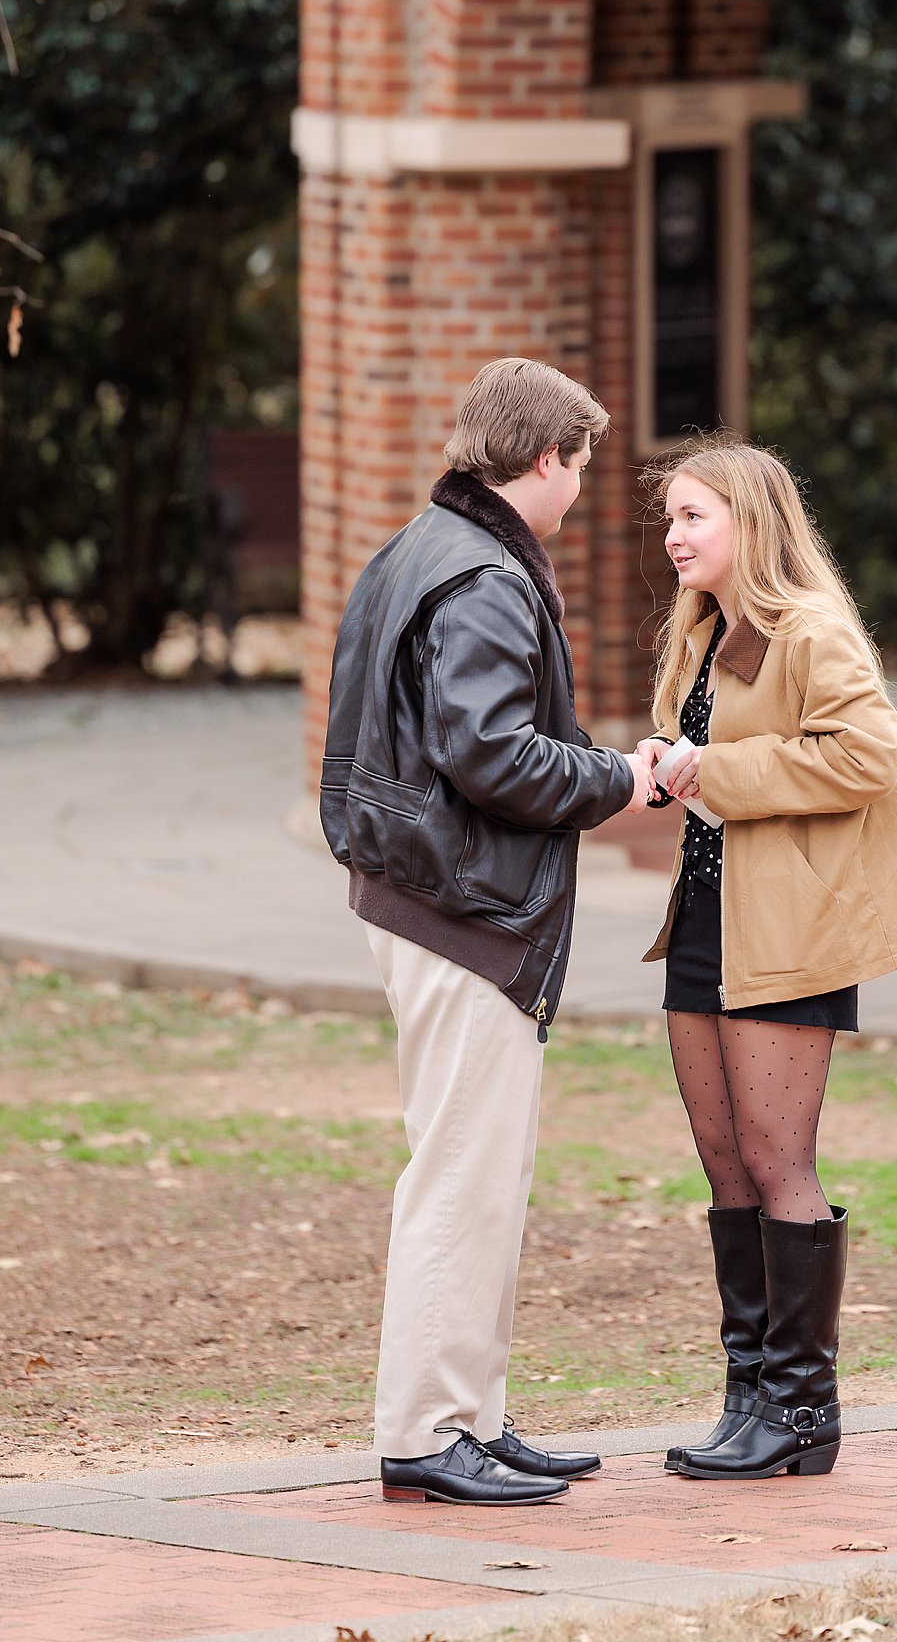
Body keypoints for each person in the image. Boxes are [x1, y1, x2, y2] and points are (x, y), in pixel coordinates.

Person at [320, 358, 653, 1507]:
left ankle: (472, 1416)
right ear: (547, 458)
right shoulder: (487, 578)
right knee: (464, 1174)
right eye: (583, 465)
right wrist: (618, 777)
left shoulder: (421, 546)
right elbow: (490, 753)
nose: (584, 489)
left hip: (417, 894)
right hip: (462, 911)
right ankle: (427, 1430)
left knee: (477, 1171)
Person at [636, 437, 897, 1483]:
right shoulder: (704, 635)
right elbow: (716, 766)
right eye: (670, 518)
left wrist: (718, 767)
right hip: (707, 919)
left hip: (790, 933)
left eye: (692, 517)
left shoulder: (811, 630)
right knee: (725, 1168)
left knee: (777, 1165)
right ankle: (750, 1396)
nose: (673, 536)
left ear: (749, 524)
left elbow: (867, 751)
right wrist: (668, 769)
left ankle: (804, 1413)